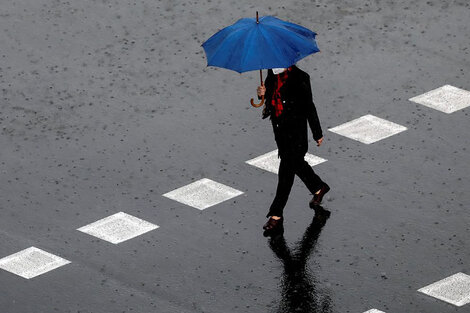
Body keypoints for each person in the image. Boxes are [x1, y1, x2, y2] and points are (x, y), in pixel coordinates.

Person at [257, 65, 330, 232]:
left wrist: (317, 133)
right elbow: (271, 98)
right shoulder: (271, 73)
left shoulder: (301, 78)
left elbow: (309, 107)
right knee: (296, 164)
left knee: (286, 172)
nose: (275, 67)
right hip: (281, 133)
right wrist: (262, 93)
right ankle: (319, 187)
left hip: (296, 134)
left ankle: (276, 215)